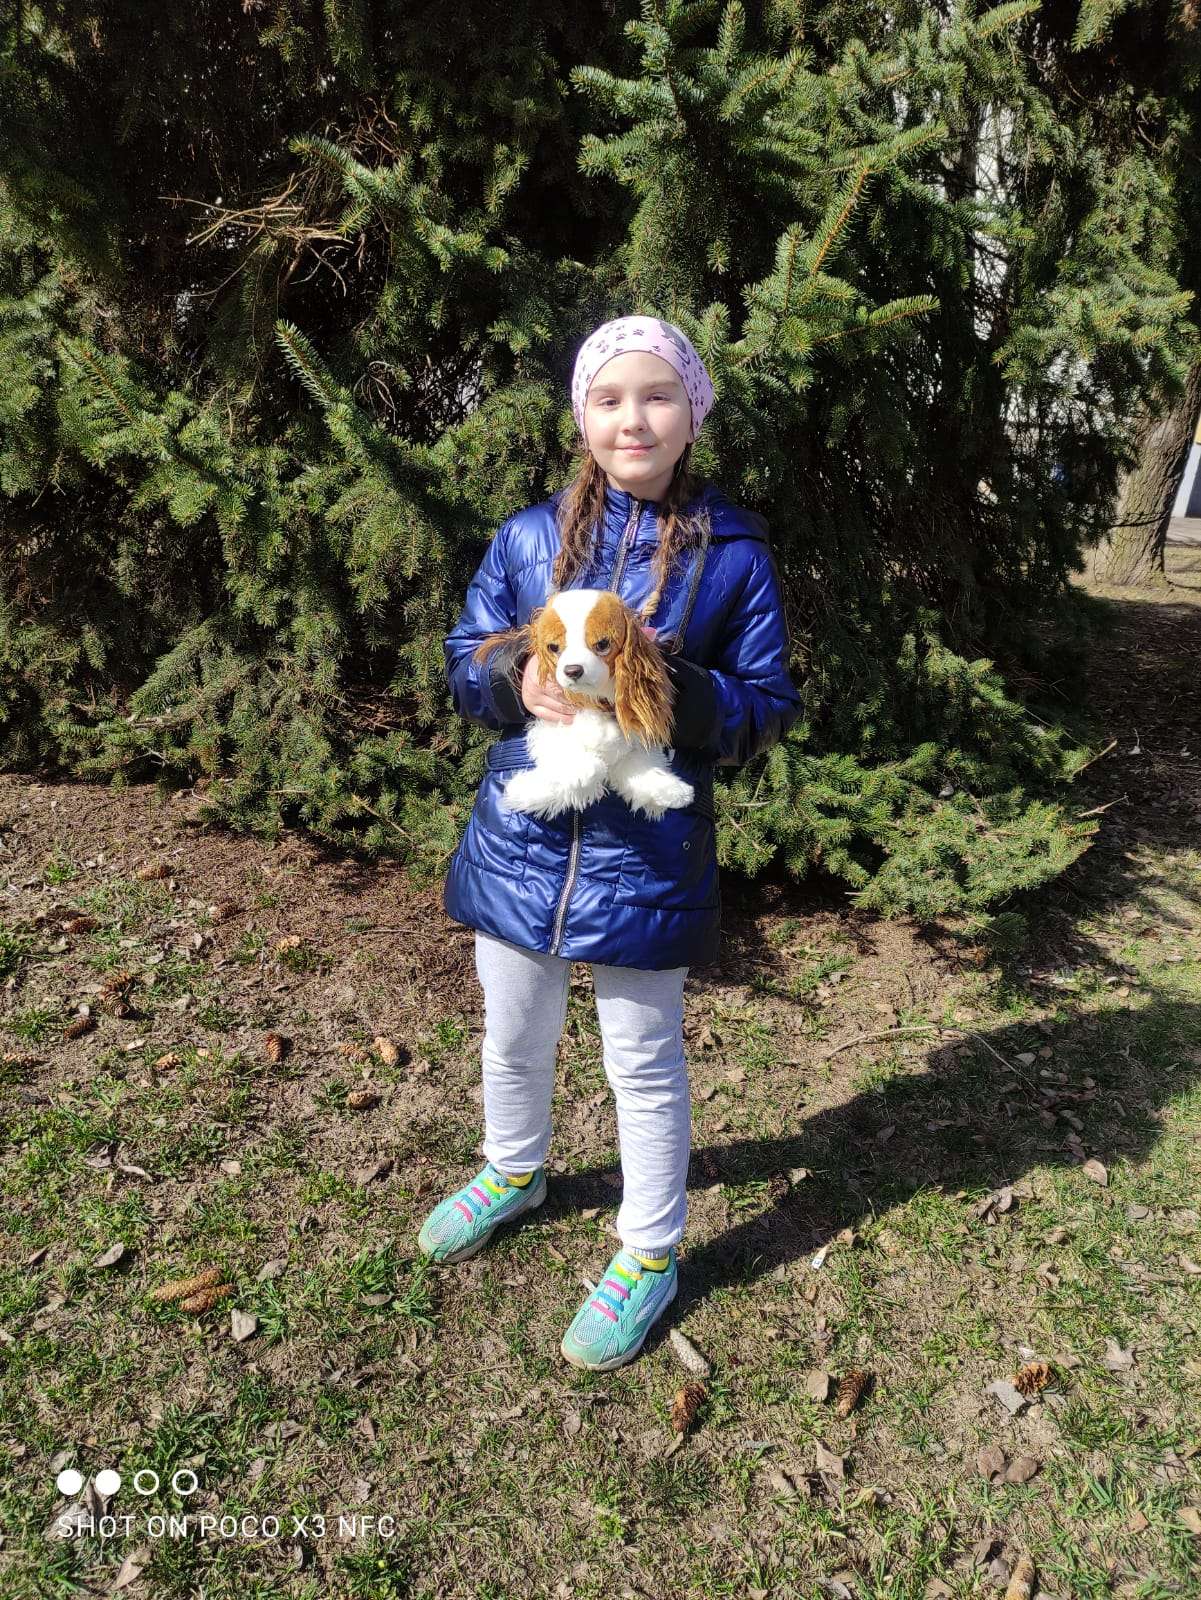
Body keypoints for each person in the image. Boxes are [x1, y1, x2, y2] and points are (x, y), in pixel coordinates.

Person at [418, 315, 801, 1371]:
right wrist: (512, 678)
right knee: (511, 1035)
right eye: (609, 398)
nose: (633, 418)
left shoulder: (733, 554)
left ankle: (648, 1250)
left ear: (692, 414)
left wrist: (670, 692)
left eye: (657, 395)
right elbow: (465, 657)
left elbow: (767, 703)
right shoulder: (526, 539)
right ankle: (513, 1168)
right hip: (522, 840)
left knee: (642, 1059)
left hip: (648, 855)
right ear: (581, 417)